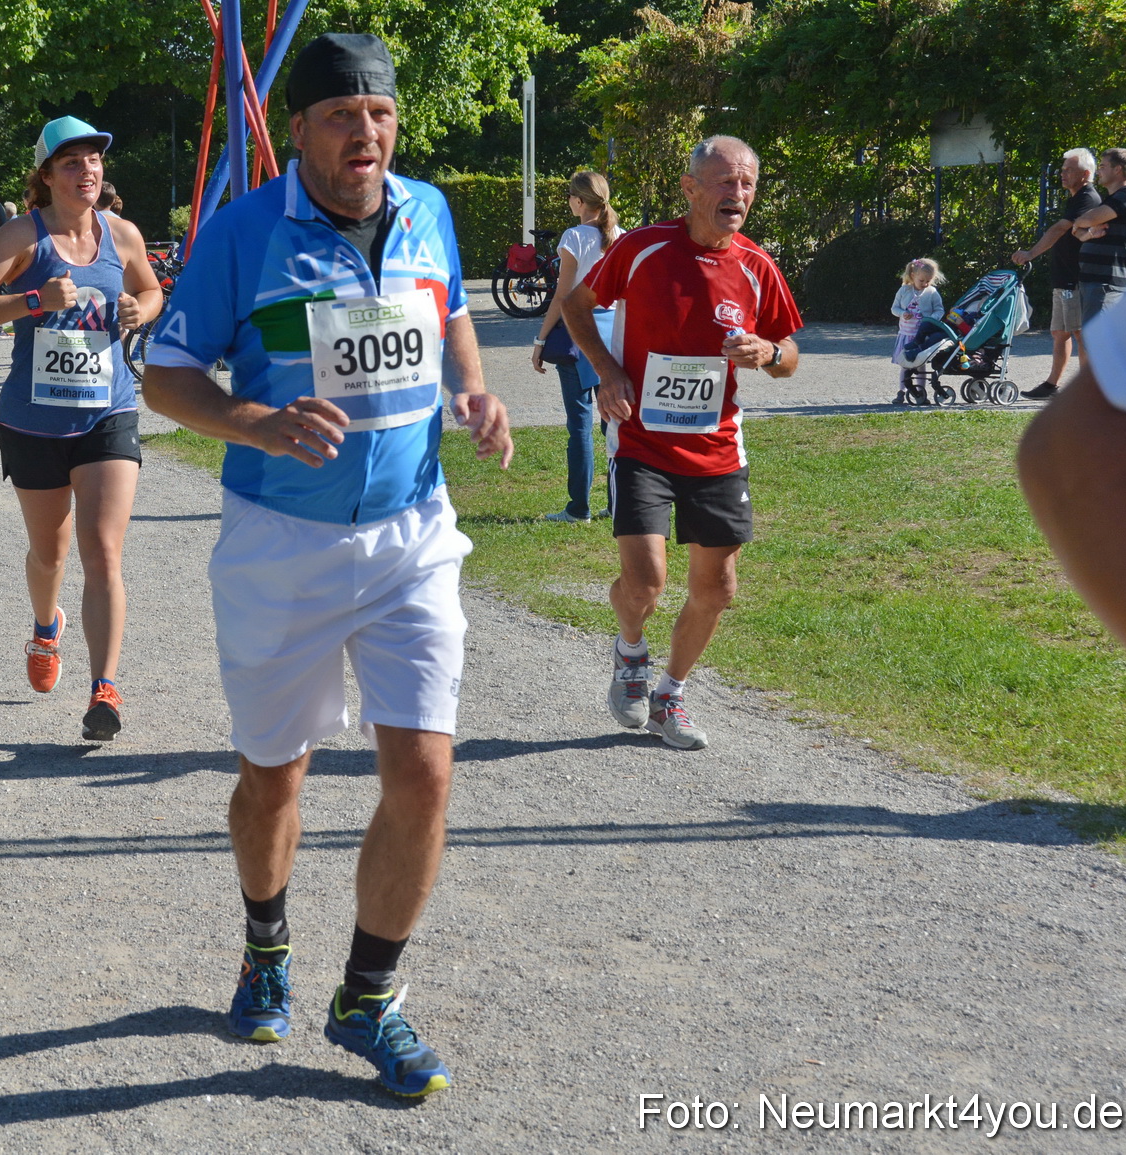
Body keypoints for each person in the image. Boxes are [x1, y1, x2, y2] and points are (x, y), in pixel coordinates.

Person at [143, 34, 513, 1098]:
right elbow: (166, 375)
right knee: (273, 778)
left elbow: (448, 315)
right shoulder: (243, 232)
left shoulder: (430, 209)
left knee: (425, 773)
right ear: (298, 129)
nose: (367, 134)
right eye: (343, 116)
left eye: (381, 116)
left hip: (412, 535)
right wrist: (253, 422)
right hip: (280, 549)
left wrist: (474, 391)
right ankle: (266, 947)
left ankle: (369, 996)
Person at [562, 135, 802, 752]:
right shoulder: (642, 249)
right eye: (725, 183)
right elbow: (576, 305)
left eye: (747, 184)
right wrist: (607, 373)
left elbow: (791, 354)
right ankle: (630, 652)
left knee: (717, 589)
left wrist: (769, 353)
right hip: (641, 439)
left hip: (717, 446)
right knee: (645, 582)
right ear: (691, 189)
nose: (738, 195)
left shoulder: (756, 266)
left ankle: (670, 692)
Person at [0, 117, 161, 739]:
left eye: (94, 160)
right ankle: (47, 628)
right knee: (52, 553)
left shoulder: (122, 235)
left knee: (104, 551)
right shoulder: (23, 233)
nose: (87, 171)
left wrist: (137, 308)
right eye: (72, 163)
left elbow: (151, 293)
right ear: (46, 176)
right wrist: (34, 301)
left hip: (108, 412)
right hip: (33, 422)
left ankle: (105, 690)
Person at [1019, 269, 1126, 668]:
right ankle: (1053, 378)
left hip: (1090, 286)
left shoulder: (1116, 205)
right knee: (1068, 336)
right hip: (1075, 286)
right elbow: (1074, 446)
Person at [532, 170, 619, 522]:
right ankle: (617, 504)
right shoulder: (620, 236)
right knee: (613, 424)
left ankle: (578, 508)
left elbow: (562, 297)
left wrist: (540, 339)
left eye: (570, 196)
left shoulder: (574, 237)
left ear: (579, 201)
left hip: (578, 338)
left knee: (580, 425)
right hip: (614, 337)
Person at [1011, 148, 1101, 399]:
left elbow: (1061, 229)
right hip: (1064, 278)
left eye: (1068, 170)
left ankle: (1087, 389)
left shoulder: (1088, 198)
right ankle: (1052, 385)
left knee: (1082, 333)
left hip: (1078, 279)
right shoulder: (1075, 198)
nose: (1062, 174)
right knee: (1060, 333)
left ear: (1085, 174)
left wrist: (1031, 253)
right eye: (1062, 169)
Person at [1073, 148, 1126, 324]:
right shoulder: (1111, 200)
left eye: (1103, 166)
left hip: (1105, 282)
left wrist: (1083, 223)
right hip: (1093, 282)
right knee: (1092, 341)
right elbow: (1078, 230)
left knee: (1098, 344)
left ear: (1117, 169)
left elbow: (1088, 219)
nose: (1099, 171)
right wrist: (1087, 231)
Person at [889, 258, 944, 405]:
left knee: (920, 364)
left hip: (922, 336)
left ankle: (921, 393)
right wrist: (902, 313)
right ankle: (902, 391)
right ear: (913, 275)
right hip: (906, 335)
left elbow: (939, 309)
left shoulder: (932, 292)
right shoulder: (904, 290)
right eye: (922, 280)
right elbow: (894, 308)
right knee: (905, 364)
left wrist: (932, 318)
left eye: (928, 281)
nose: (925, 284)